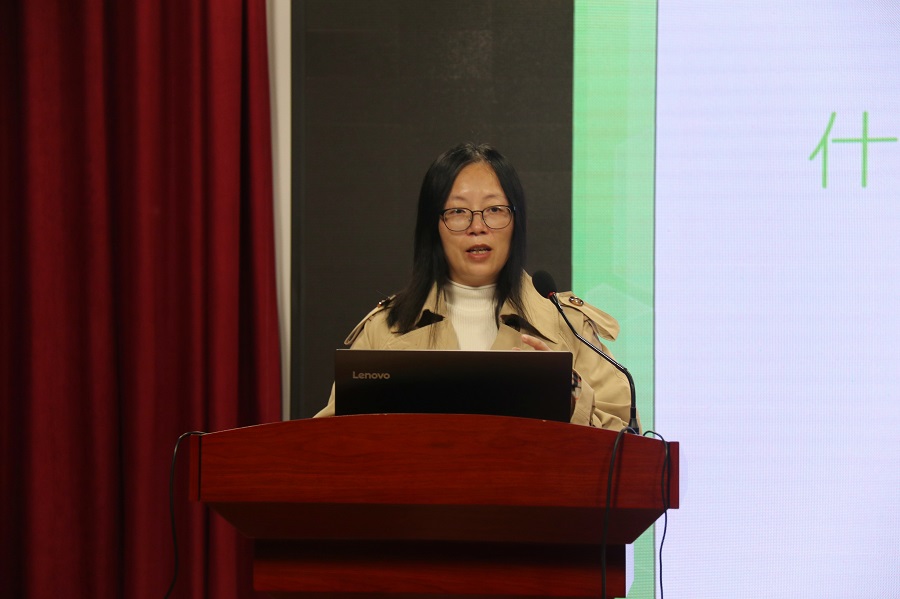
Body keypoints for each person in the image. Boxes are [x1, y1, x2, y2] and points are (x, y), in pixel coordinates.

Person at [315, 142, 633, 430]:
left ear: (516, 222)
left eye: (494, 210)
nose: (478, 227)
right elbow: (327, 445)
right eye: (457, 212)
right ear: (433, 227)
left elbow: (630, 445)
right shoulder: (385, 329)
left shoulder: (570, 326)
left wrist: (572, 397)